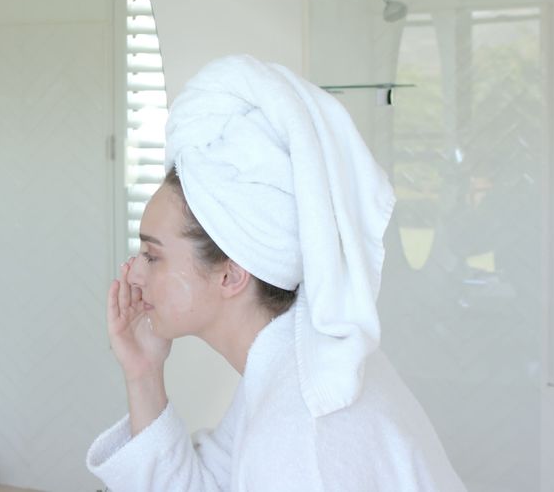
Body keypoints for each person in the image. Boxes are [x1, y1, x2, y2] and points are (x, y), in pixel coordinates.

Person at [86, 55, 465, 490]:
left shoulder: (305, 438)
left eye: (153, 256)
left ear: (232, 273)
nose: (133, 274)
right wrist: (143, 371)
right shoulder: (294, 369)